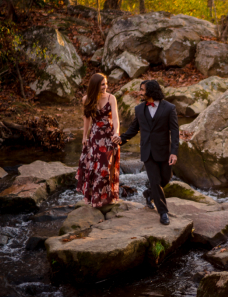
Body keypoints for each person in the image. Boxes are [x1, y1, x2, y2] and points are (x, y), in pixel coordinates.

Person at [112, 80, 178, 225]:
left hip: (164, 151)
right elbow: (134, 129)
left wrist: (174, 152)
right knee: (155, 181)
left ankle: (148, 194)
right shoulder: (139, 109)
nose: (140, 92)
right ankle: (163, 212)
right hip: (147, 151)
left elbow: (174, 131)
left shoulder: (169, 108)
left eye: (142, 90)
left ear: (151, 91)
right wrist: (120, 139)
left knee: (165, 180)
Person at [76, 73, 121, 208]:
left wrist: (117, 133)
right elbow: (86, 119)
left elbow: (115, 119)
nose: (105, 86)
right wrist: (84, 137)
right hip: (95, 138)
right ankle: (95, 199)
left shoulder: (111, 98)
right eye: (102, 84)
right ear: (95, 85)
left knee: (106, 169)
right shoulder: (87, 99)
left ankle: (106, 198)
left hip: (109, 137)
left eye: (106, 83)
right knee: (95, 169)